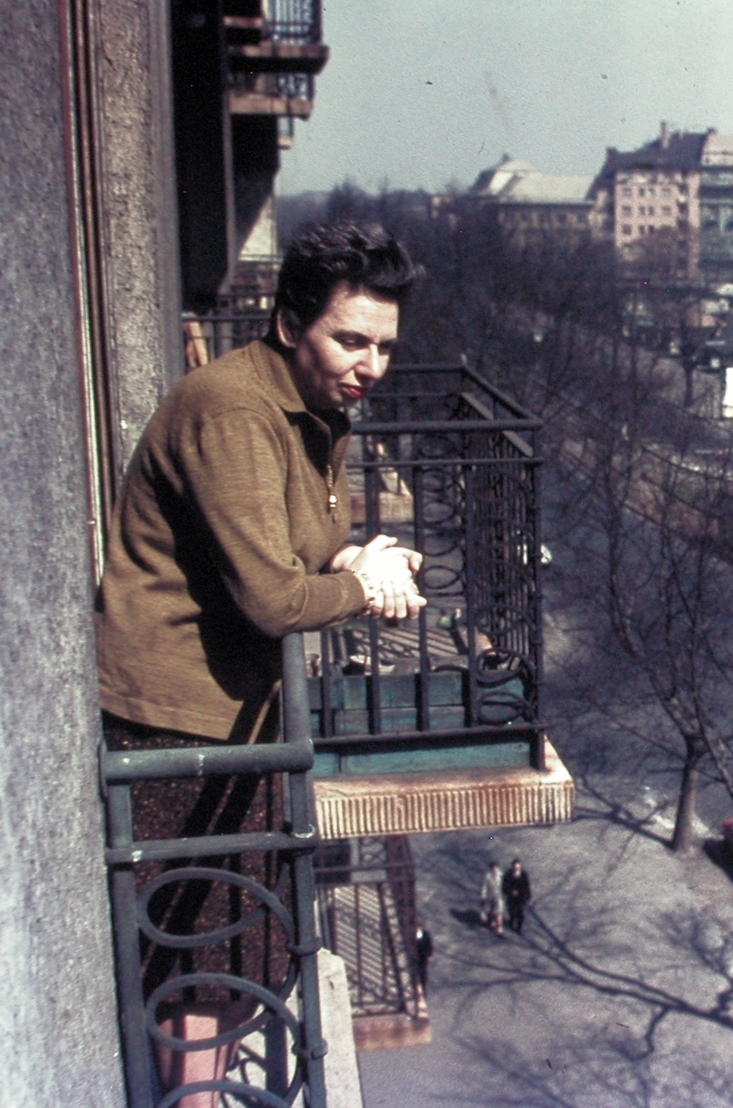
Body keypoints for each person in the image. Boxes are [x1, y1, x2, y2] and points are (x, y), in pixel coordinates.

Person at [96, 221, 426, 1106]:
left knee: (242, 941)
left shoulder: (314, 412)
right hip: (176, 725)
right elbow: (272, 601)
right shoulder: (234, 411)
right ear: (288, 324)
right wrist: (360, 586)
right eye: (349, 339)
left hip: (237, 716)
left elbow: (288, 558)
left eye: (384, 346)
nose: (370, 365)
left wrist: (351, 563)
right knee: (210, 949)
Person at [502, 858, 531, 935]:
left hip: (521, 897)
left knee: (520, 912)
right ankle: (511, 922)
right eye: (516, 866)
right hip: (511, 897)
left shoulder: (524, 874)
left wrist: (527, 895)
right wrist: (511, 891)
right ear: (513, 866)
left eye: (519, 866)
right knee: (511, 911)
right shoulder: (508, 874)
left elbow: (526, 885)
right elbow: (505, 885)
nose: (517, 868)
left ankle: (519, 928)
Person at [480, 862, 506, 936]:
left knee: (499, 912)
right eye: (493, 868)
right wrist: (483, 895)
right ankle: (493, 921)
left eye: (496, 867)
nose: (494, 869)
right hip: (490, 896)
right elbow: (484, 887)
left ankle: (500, 928)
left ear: (498, 868)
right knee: (492, 910)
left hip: (500, 897)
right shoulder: (488, 876)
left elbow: (506, 886)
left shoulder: (502, 876)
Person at [413, 926, 434, 993]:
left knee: (422, 972)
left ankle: (423, 988)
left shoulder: (425, 934)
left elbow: (429, 945)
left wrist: (429, 955)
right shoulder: (410, 935)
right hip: (414, 956)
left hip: (422, 957)